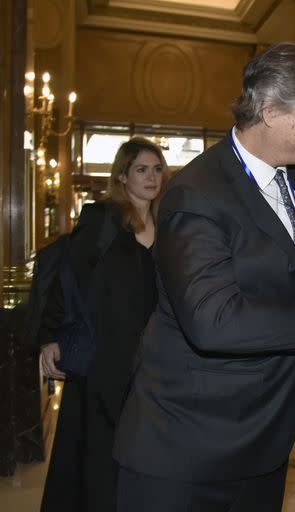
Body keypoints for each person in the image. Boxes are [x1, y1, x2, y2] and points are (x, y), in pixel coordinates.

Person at [113, 42, 295, 512]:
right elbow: (213, 319)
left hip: (264, 438)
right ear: (270, 112)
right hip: (187, 448)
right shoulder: (198, 192)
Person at [38, 137, 168, 511]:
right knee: (97, 452)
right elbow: (66, 279)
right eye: (141, 169)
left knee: (142, 451)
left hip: (152, 360)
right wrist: (50, 337)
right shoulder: (103, 218)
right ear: (122, 176)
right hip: (104, 359)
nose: (151, 177)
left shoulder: (168, 223)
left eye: (157, 169)